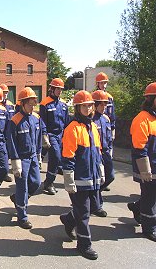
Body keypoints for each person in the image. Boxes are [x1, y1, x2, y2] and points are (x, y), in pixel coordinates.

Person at [59, 90, 104, 260]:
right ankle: (84, 245)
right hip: (79, 179)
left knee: (93, 206)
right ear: (78, 108)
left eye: (90, 105)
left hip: (92, 178)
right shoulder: (72, 128)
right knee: (84, 212)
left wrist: (100, 170)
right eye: (84, 106)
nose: (88, 108)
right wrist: (69, 180)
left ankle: (69, 219)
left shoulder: (92, 126)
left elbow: (97, 151)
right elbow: (68, 156)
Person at [7, 87, 42, 228]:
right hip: (21, 159)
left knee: (36, 183)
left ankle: (17, 199)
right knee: (22, 187)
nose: (32, 107)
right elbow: (11, 141)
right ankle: (22, 217)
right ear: (22, 103)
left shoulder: (36, 118)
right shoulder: (14, 121)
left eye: (34, 104)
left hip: (33, 156)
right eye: (30, 104)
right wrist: (15, 161)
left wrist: (39, 154)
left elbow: (38, 137)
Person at [127, 82, 156, 242]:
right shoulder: (142, 119)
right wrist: (145, 171)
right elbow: (139, 148)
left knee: (150, 195)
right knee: (150, 196)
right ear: (152, 99)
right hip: (147, 165)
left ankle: (137, 207)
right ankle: (149, 228)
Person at [40, 78, 70, 195]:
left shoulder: (63, 104)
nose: (59, 91)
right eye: (57, 89)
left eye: (61, 89)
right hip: (51, 134)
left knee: (60, 159)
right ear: (52, 89)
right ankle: (49, 183)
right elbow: (42, 121)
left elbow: (67, 122)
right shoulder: (45, 103)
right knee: (55, 157)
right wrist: (44, 135)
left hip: (61, 134)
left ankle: (49, 180)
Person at [90, 90, 115, 217]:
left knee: (110, 176)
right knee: (98, 179)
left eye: (106, 104)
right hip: (96, 153)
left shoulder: (106, 118)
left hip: (106, 152)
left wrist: (110, 149)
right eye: (102, 104)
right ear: (95, 104)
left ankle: (93, 197)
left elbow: (109, 136)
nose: (104, 107)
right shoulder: (91, 120)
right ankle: (97, 206)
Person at [0, 83, 15, 183]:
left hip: (9, 132)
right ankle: (2, 173)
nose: (5, 95)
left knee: (8, 153)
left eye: (6, 93)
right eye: (3, 93)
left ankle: (4, 173)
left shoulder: (10, 104)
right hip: (0, 133)